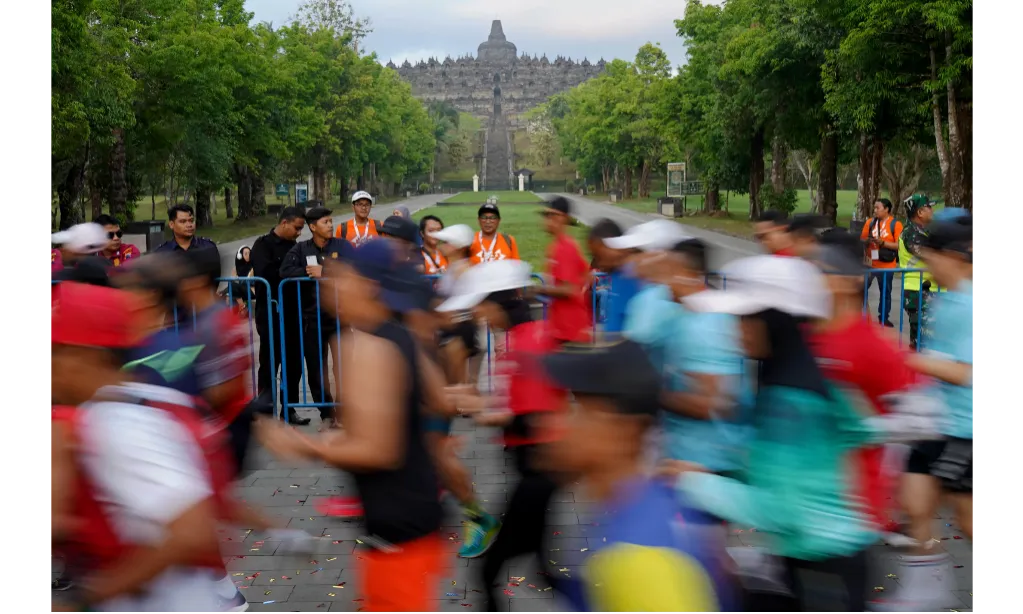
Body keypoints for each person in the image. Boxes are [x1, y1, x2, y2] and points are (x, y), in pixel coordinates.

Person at [672, 254, 942, 614]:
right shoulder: (803, 378)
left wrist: (691, 483)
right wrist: (719, 471)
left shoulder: (793, 399)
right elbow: (845, 434)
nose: (736, 329)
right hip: (816, 562)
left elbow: (782, 508)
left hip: (825, 571)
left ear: (774, 321)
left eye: (744, 319)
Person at [256, 239, 446, 613]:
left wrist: (306, 445)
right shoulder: (399, 335)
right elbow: (438, 399)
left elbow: (379, 451)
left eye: (343, 277)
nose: (331, 286)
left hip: (399, 529)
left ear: (369, 286)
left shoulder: (372, 349)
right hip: (411, 519)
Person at [48, 282, 224, 613]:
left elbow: (190, 530)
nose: (52, 367)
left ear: (88, 356)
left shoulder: (116, 425)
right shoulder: (141, 399)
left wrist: (86, 598)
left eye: (56, 352)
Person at [541, 340, 742, 613]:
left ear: (623, 432)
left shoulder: (635, 557)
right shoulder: (651, 503)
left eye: (574, 408)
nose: (550, 422)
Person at [436, 259, 566, 613]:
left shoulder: (528, 344)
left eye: (481, 306)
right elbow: (517, 402)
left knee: (487, 571)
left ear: (499, 303)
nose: (478, 315)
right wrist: (473, 399)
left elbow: (530, 419)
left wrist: (481, 411)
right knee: (544, 571)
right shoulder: (521, 337)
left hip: (538, 474)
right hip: (534, 471)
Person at [877, 216, 976, 612]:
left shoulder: (969, 306)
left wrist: (903, 356)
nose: (926, 262)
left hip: (962, 430)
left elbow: (963, 372)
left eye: (932, 255)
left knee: (968, 523)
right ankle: (926, 589)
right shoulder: (944, 299)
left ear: (955, 257)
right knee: (916, 505)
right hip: (934, 423)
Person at [808, 230, 923, 548]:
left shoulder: (876, 346)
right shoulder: (801, 336)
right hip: (803, 505)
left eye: (822, 272)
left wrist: (863, 427)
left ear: (851, 280)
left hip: (852, 513)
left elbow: (920, 419)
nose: (812, 281)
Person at [643, 238, 751, 479]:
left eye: (666, 271)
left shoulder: (706, 325)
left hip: (705, 463)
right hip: (682, 455)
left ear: (686, 275)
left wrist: (649, 394)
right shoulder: (685, 315)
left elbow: (711, 404)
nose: (661, 280)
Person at [279, 206, 348, 427]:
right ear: (313, 227)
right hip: (312, 319)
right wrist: (310, 272)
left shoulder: (342, 246)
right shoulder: (300, 249)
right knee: (317, 369)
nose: (330, 225)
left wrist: (324, 272)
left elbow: (355, 269)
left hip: (340, 317)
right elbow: (285, 271)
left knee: (345, 367)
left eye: (331, 221)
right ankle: (327, 413)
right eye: (325, 222)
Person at [250, 207, 310, 425]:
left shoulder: (297, 247)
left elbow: (305, 272)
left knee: (294, 363)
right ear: (284, 223)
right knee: (269, 362)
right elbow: (267, 274)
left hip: (294, 311)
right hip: (270, 311)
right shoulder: (262, 245)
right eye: (297, 228)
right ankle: (265, 411)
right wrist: (290, 272)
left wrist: (292, 273)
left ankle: (289, 408)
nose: (299, 233)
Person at [530, 196, 591, 344]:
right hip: (561, 329)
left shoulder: (566, 248)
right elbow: (586, 276)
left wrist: (538, 289)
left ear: (563, 218)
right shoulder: (556, 246)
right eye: (545, 215)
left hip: (571, 332)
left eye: (551, 215)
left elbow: (569, 290)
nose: (547, 220)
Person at [429, 224, 480, 385]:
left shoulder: (463, 270)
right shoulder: (454, 268)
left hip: (459, 331)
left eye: (446, 242)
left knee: (458, 384)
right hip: (450, 330)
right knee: (452, 383)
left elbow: (469, 304)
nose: (441, 245)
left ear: (459, 247)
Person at [586, 218, 643, 336]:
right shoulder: (616, 274)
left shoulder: (635, 276)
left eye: (599, 256)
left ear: (614, 246)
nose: (599, 265)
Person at [898, 195, 939, 350]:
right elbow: (932, 257)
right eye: (929, 207)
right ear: (920, 212)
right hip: (918, 292)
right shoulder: (911, 233)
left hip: (926, 290)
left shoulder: (923, 232)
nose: (932, 210)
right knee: (924, 343)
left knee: (926, 342)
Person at [860, 198, 904, 327]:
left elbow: (899, 246)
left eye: (877, 208)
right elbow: (861, 239)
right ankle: (863, 316)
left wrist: (883, 243)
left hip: (887, 265)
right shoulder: (870, 222)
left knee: (885, 292)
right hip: (869, 264)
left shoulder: (896, 225)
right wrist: (867, 241)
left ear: (886, 209)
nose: (875, 210)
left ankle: (884, 317)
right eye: (874, 207)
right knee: (861, 290)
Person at [228, 246, 255, 313]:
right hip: (242, 291)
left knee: (232, 287)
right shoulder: (236, 269)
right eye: (246, 254)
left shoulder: (254, 266)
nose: (248, 255)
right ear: (240, 256)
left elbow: (249, 280)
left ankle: (242, 307)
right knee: (230, 289)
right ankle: (240, 309)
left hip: (252, 290)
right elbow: (233, 281)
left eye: (249, 253)